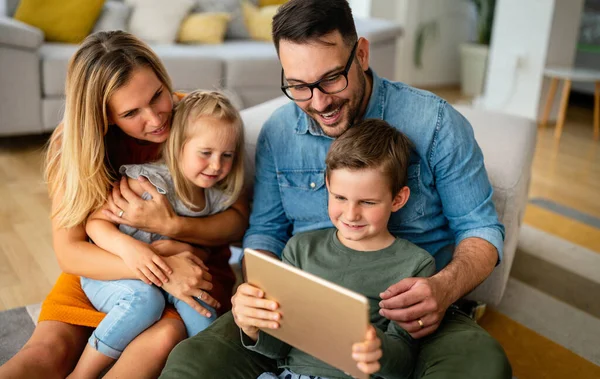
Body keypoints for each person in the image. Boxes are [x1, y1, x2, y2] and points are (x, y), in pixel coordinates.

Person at [160, 0, 511, 378]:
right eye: (298, 86)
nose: (319, 102)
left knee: (483, 368)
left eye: (330, 79)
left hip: (418, 318)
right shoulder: (280, 132)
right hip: (297, 312)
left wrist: (442, 288)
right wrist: (254, 293)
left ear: (360, 53)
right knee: (189, 365)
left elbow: (480, 229)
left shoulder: (436, 123)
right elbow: (266, 232)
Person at [0, 32, 246, 379]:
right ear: (104, 117)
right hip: (107, 266)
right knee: (48, 350)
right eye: (131, 112)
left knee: (159, 341)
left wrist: (175, 227)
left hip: (192, 266)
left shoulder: (195, 117)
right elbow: (70, 253)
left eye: (157, 95)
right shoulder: (73, 146)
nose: (156, 118)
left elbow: (237, 218)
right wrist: (157, 268)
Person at [235, 119, 436, 379]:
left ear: (398, 199)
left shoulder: (415, 265)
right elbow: (278, 347)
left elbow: (404, 361)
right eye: (340, 198)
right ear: (328, 187)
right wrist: (252, 327)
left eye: (368, 202)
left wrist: (379, 349)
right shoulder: (300, 250)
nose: (351, 214)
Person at [66, 91, 245, 378]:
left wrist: (184, 249)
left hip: (166, 275)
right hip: (114, 274)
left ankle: (208, 367)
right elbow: (95, 224)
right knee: (145, 300)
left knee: (203, 308)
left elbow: (208, 244)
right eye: (205, 153)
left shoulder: (215, 195)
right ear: (178, 146)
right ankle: (82, 374)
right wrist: (130, 249)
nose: (216, 165)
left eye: (227, 155)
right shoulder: (148, 184)